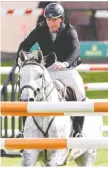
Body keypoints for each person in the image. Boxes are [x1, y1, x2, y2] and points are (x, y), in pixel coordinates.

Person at [16, 3, 86, 136]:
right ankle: (24, 130)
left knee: (80, 93)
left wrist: (65, 63)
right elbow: (25, 44)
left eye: (54, 19)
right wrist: (20, 59)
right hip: (47, 70)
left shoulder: (70, 30)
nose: (51, 23)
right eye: (48, 19)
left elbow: (76, 51)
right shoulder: (40, 29)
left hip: (67, 70)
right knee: (28, 94)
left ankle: (78, 130)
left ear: (61, 19)